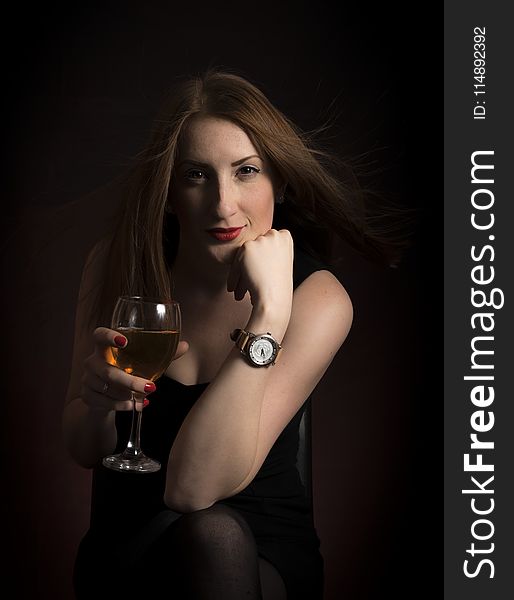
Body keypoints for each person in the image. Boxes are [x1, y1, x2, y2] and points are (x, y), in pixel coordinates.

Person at [63, 69, 403, 599]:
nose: (223, 205)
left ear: (280, 181)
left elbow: (191, 490)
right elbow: (83, 447)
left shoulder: (318, 297)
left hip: (259, 553)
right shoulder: (115, 265)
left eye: (246, 171)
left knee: (214, 535)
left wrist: (268, 316)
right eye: (196, 175)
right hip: (128, 544)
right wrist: (100, 404)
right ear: (170, 191)